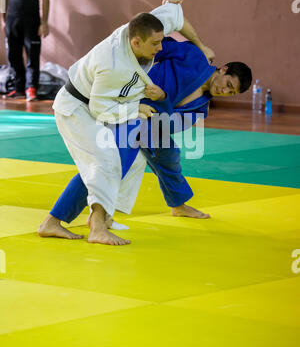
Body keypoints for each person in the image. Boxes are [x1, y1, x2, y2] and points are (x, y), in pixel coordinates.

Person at [38, 35, 252, 242]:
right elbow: (156, 47)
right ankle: (56, 219)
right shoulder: (192, 55)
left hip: (151, 122)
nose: (224, 91)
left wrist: (163, 99)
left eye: (230, 93)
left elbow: (172, 125)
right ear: (223, 69)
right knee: (111, 163)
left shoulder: (201, 108)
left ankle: (177, 204)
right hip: (129, 108)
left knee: (169, 153)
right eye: (228, 84)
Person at [41, 0, 215, 246]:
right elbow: (100, 109)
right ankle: (89, 226)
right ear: (136, 42)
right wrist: (137, 108)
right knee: (105, 160)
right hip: (78, 109)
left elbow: (176, 14)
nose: (161, 47)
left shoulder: (147, 28)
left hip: (107, 104)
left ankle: (99, 217)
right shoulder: (113, 65)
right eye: (155, 43)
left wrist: (200, 44)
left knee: (130, 158)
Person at [1, 0, 49, 101]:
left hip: (32, 20)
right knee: (13, 56)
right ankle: (18, 88)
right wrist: (3, 18)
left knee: (32, 56)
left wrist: (44, 22)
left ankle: (31, 89)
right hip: (12, 20)